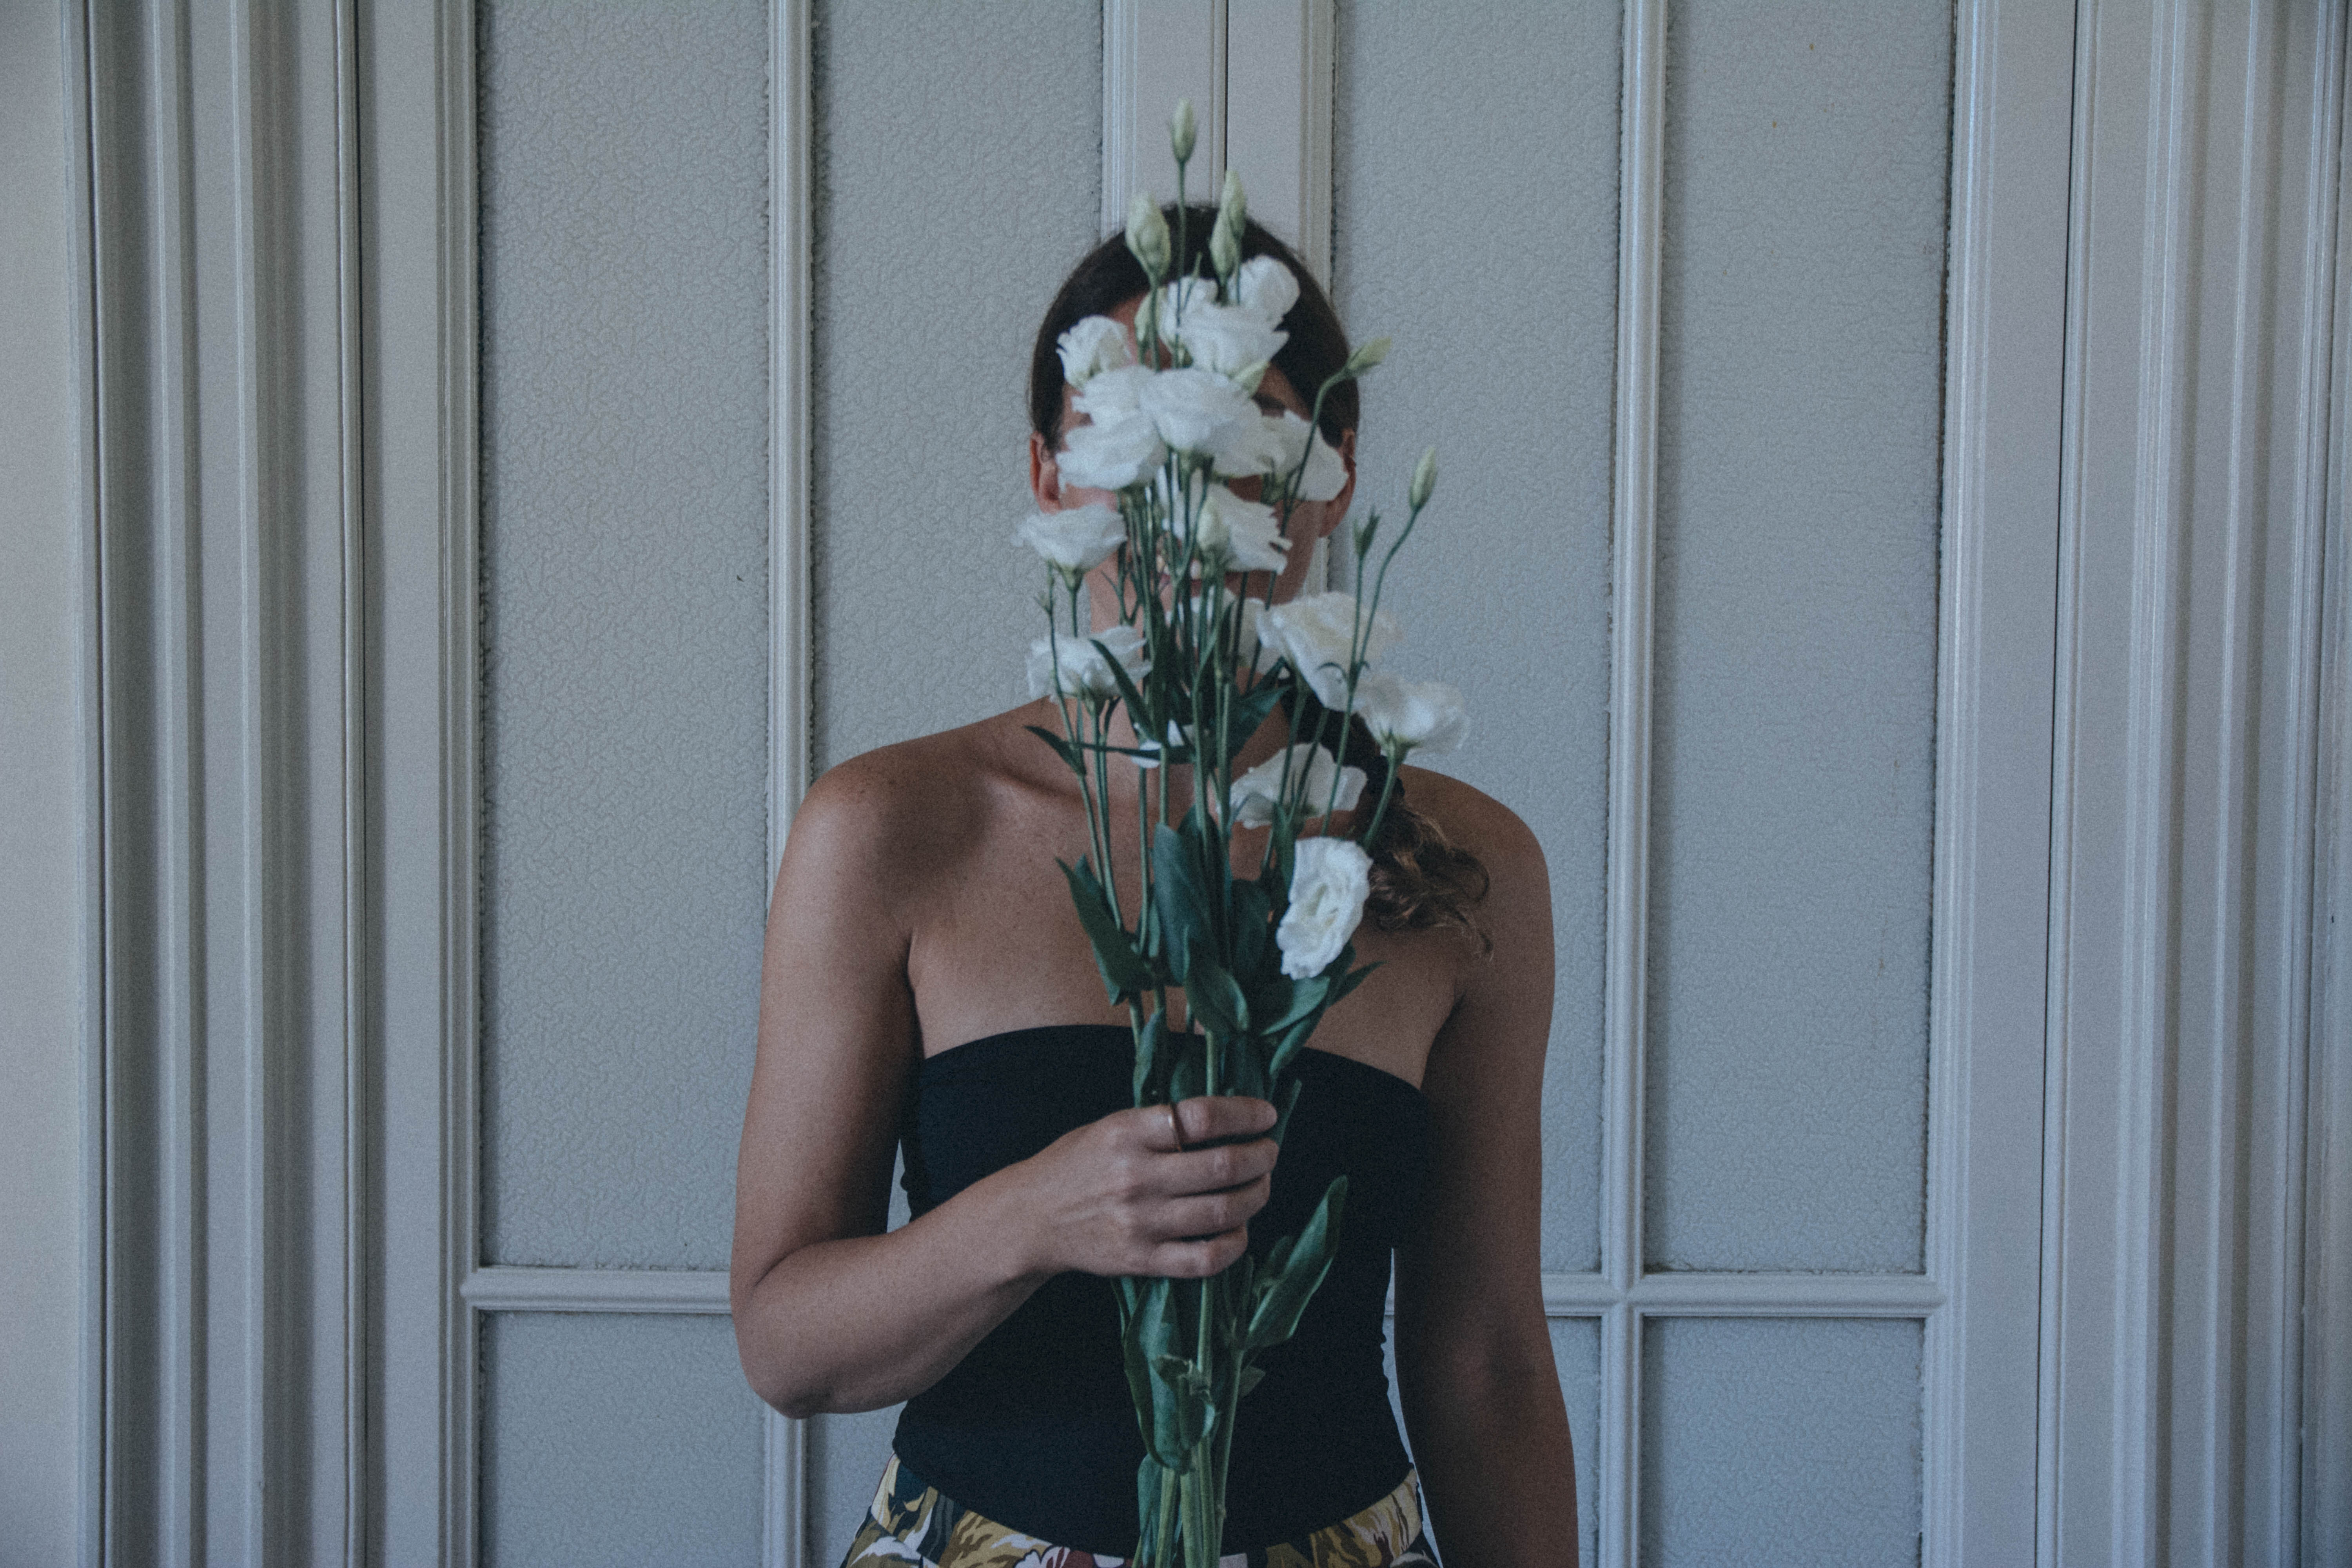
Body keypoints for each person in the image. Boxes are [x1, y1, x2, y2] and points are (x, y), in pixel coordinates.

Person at [730, 208, 1576, 1568]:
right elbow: (787, 1345)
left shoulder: (1463, 865)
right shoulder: (892, 833)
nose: (1187, 497)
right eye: (1132, 435)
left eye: (1246, 435)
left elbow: (1488, 1364)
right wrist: (1034, 1216)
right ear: (1052, 474)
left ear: (1333, 474)